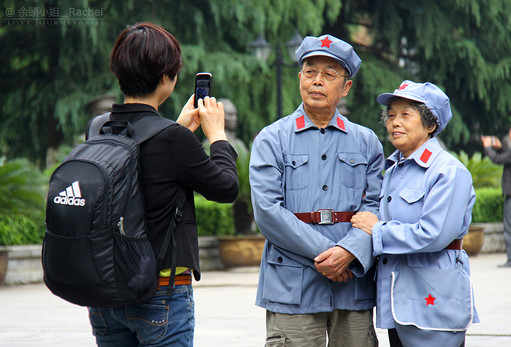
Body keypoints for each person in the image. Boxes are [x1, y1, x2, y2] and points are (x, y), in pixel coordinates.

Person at [86, 22, 239, 346]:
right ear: (167, 78)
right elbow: (225, 188)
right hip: (160, 292)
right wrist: (217, 136)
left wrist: (178, 128)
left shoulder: (98, 128)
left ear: (119, 71)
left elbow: (138, 165)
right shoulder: (172, 139)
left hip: (105, 292)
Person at [249, 34, 384, 346]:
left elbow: (377, 206)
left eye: (329, 74)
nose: (317, 81)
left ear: (346, 87)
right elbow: (268, 211)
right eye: (310, 72)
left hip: (352, 283)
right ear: (299, 79)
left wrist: (349, 253)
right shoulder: (272, 139)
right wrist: (326, 256)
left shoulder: (366, 142)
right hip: (292, 282)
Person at [351, 81, 479, 346]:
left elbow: (433, 235)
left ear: (430, 124)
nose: (395, 122)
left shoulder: (447, 172)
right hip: (399, 299)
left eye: (405, 114)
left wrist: (377, 230)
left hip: (433, 300)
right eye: (391, 115)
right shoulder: (394, 169)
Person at [481, 121, 511, 267]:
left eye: (510, 133)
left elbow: (497, 159)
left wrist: (488, 147)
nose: (509, 136)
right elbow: (507, 158)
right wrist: (501, 147)